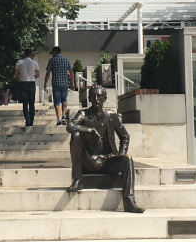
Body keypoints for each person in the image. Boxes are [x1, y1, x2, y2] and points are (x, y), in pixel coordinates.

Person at [66, 85, 143, 213]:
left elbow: (125, 136)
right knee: (75, 136)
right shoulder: (83, 114)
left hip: (108, 160)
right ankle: (77, 179)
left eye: (100, 96)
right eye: (94, 96)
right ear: (89, 98)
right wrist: (89, 130)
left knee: (127, 159)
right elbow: (70, 126)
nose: (97, 99)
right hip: (89, 161)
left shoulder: (111, 115)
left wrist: (120, 154)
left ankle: (129, 201)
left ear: (105, 98)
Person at [43, 46, 72, 123]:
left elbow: (48, 73)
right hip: (65, 84)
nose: (52, 54)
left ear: (55, 52)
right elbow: (71, 71)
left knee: (57, 102)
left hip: (56, 84)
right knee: (64, 100)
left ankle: (58, 119)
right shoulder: (66, 60)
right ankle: (64, 116)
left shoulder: (52, 60)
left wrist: (45, 83)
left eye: (52, 52)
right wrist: (73, 83)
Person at [13, 49, 40, 126]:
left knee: (25, 103)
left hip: (22, 83)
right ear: (31, 54)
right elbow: (38, 75)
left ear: (24, 54)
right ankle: (31, 120)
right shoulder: (35, 63)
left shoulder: (19, 62)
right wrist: (32, 76)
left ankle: (27, 120)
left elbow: (15, 74)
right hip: (31, 83)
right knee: (32, 103)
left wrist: (20, 76)